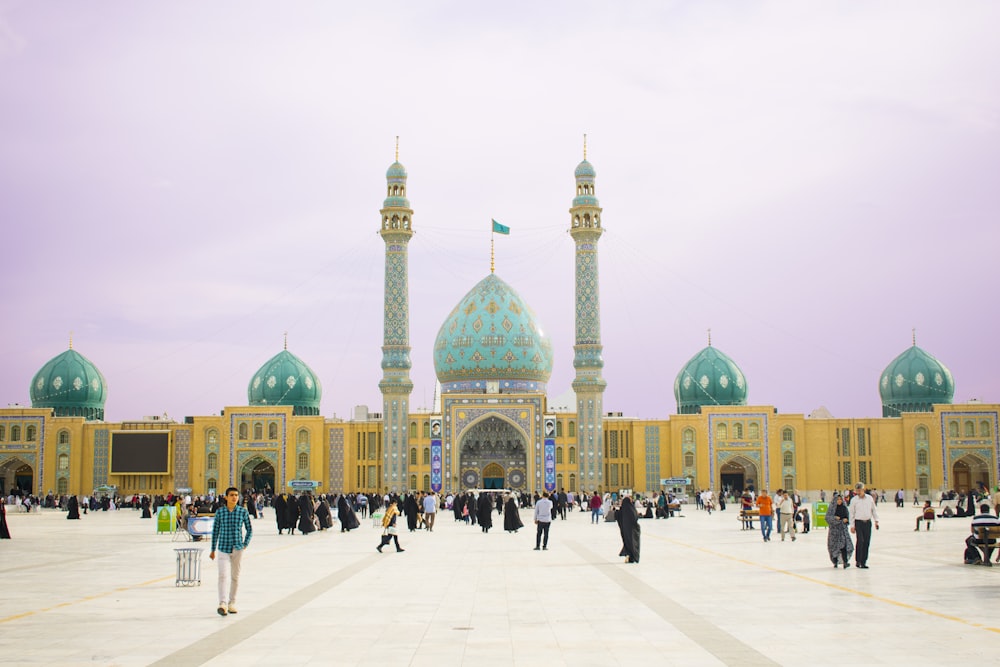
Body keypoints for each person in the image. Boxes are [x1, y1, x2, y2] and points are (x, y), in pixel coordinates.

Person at [210, 487, 253, 616]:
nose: (234, 497)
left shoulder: (242, 512)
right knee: (222, 575)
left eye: (236, 495)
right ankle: (222, 603)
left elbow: (249, 529)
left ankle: (232, 603)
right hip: (223, 547)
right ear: (226, 497)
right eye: (232, 495)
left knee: (235, 577)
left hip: (237, 548)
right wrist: (212, 549)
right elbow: (215, 531)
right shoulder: (220, 512)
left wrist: (245, 544)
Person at [848, 483, 879, 569]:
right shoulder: (854, 500)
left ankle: (863, 561)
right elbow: (852, 513)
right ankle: (858, 560)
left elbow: (873, 510)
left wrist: (876, 520)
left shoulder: (869, 499)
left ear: (863, 490)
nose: (858, 492)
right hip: (859, 523)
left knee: (866, 542)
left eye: (860, 490)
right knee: (860, 541)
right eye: (857, 490)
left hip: (867, 522)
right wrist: (852, 525)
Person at [825, 493, 853, 568]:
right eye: (838, 499)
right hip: (834, 531)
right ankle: (835, 561)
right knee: (834, 546)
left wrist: (846, 520)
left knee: (844, 545)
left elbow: (848, 517)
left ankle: (845, 562)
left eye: (841, 499)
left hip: (843, 530)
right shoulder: (831, 509)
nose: (839, 501)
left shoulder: (844, 508)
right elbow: (827, 518)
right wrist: (835, 518)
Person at [617, 494, 641, 563]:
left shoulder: (624, 509)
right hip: (633, 530)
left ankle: (631, 556)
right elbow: (635, 517)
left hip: (627, 530)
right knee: (633, 544)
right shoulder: (631, 509)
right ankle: (632, 557)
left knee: (629, 543)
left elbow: (618, 516)